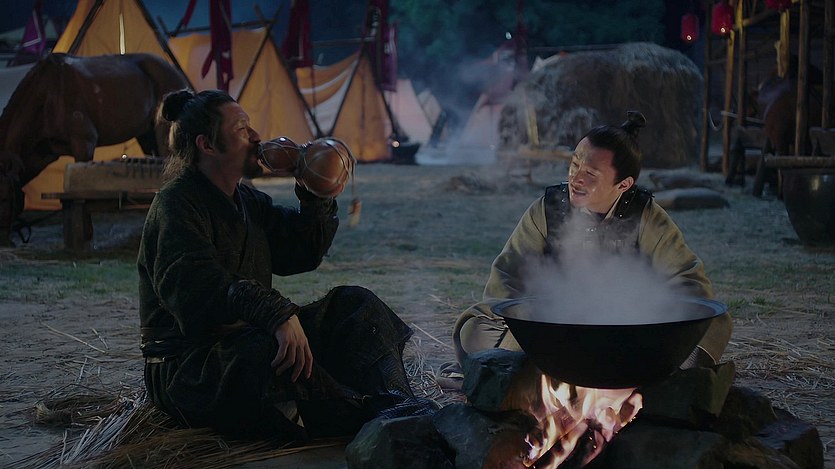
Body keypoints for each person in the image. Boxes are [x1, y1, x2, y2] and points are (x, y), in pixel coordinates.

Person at [138, 89, 435, 441]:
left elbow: (300, 252)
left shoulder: (246, 200)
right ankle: (366, 415)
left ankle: (398, 404)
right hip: (191, 366)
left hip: (252, 338)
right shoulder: (176, 205)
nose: (255, 136)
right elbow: (198, 290)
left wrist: (314, 192)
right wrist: (277, 315)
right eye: (241, 129)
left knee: (356, 306)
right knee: (262, 355)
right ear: (207, 145)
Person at [452, 111, 732, 372]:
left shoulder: (646, 217)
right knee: (475, 328)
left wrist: (649, 313)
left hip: (625, 329)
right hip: (553, 326)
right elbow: (507, 275)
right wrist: (530, 317)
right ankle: (542, 367)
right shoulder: (547, 210)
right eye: (575, 164)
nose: (576, 179)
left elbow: (688, 282)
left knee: (715, 323)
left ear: (624, 185)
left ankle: (641, 372)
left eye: (591, 174)